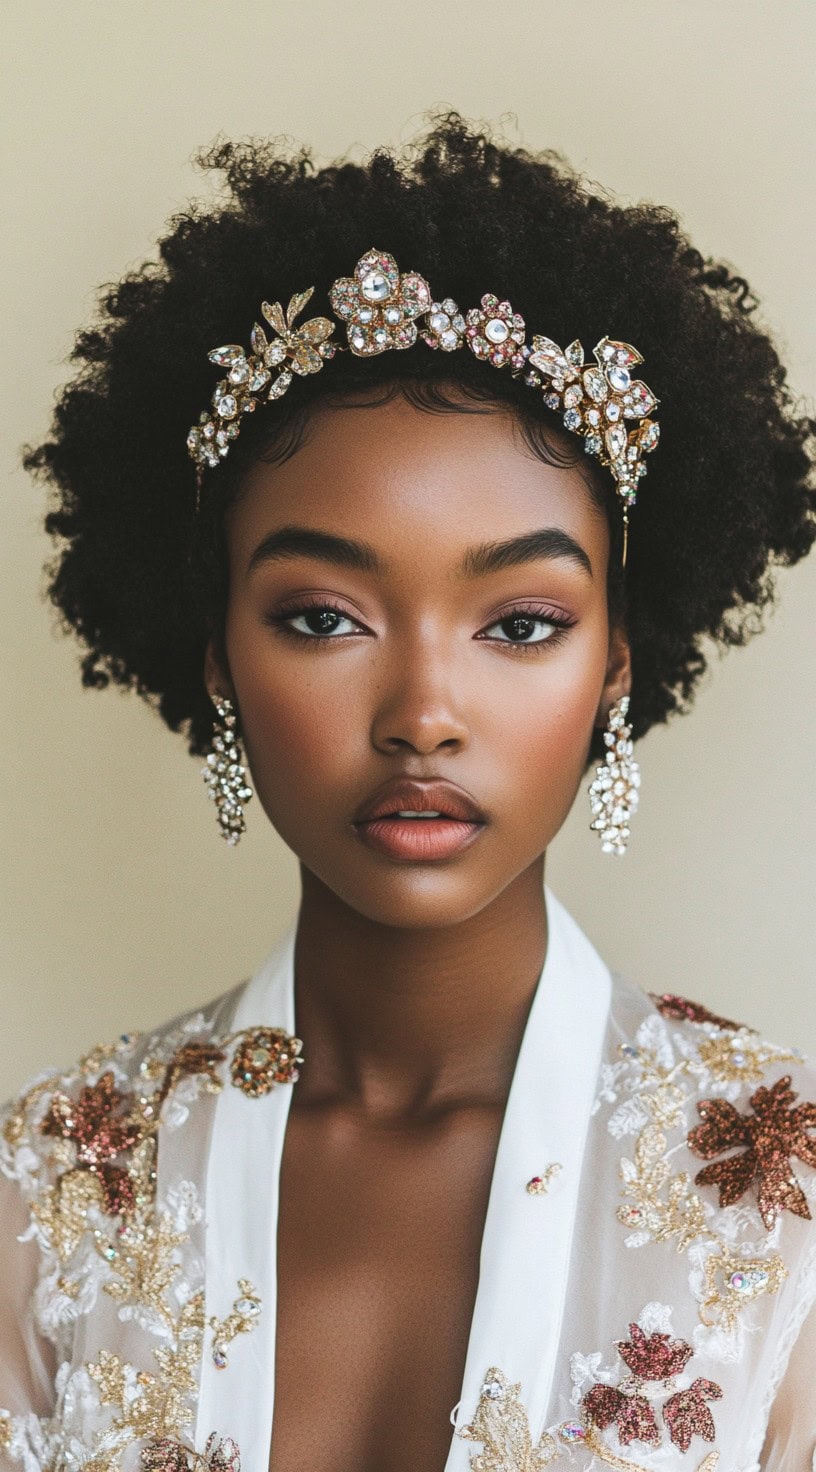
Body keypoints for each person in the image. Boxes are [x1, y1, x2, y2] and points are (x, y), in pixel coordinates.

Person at [1, 115, 814, 1472]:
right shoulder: (49, 1184)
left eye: (521, 622)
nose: (424, 714)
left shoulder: (782, 1201)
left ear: (618, 659)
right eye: (324, 618)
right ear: (217, 658)